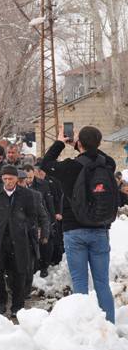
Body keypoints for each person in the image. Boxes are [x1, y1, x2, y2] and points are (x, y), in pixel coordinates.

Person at [40, 126, 118, 323]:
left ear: (79, 143)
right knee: (102, 284)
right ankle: (108, 325)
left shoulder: (69, 167)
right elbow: (98, 156)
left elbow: (46, 164)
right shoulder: (106, 165)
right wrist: (84, 145)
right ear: (99, 144)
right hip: (100, 230)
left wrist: (60, 142)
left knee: (79, 282)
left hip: (74, 230)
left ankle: (82, 326)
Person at [0, 165, 38, 317]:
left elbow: (32, 216)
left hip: (18, 240)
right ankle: (1, 300)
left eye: (11, 179)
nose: (8, 182)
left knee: (19, 273)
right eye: (5, 178)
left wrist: (23, 227)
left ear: (16, 179)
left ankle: (17, 305)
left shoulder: (25, 194)